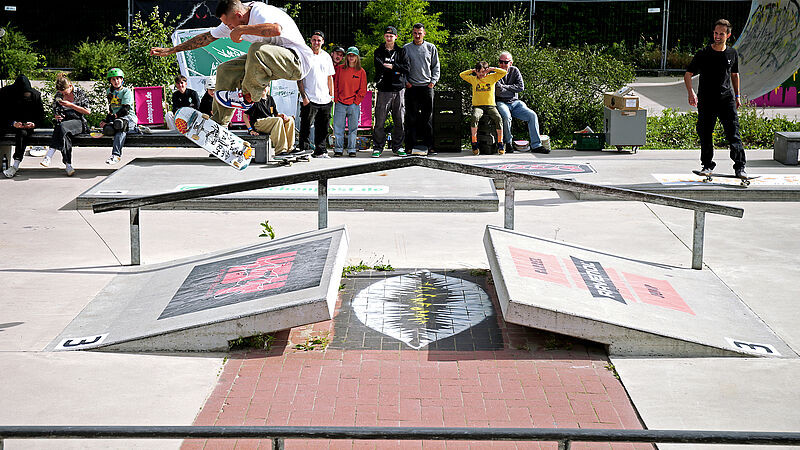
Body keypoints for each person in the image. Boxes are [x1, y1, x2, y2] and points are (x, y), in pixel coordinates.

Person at [149, 0, 313, 129]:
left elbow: (276, 29)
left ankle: (247, 97)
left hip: (296, 61)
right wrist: (172, 50)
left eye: (230, 24)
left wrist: (241, 30)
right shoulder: (233, 22)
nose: (229, 28)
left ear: (239, 14)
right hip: (272, 61)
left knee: (255, 50)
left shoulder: (261, 12)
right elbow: (206, 38)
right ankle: (218, 124)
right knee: (225, 70)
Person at [685, 19, 747, 177]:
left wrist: (738, 96)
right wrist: (691, 92)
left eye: (721, 34)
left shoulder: (732, 53)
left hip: (727, 99)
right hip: (706, 100)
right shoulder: (703, 53)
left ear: (728, 35)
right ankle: (707, 166)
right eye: (715, 33)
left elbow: (735, 74)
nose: (717, 36)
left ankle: (740, 167)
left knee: (733, 132)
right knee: (705, 133)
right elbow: (688, 74)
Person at [37, 73, 91, 176]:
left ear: (70, 86)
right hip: (64, 122)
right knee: (64, 133)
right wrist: (57, 115)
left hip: (78, 121)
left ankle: (49, 155)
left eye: (65, 93)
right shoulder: (59, 95)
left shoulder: (79, 92)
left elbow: (87, 111)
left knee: (61, 127)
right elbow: (55, 109)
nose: (64, 95)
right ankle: (68, 165)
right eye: (61, 93)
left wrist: (71, 105)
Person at [495, 51, 547, 154]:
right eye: (501, 62)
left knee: (532, 115)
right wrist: (511, 90)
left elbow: (520, 87)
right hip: (501, 102)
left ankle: (536, 145)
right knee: (506, 116)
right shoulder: (495, 73)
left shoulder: (515, 71)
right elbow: (499, 92)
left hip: (515, 102)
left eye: (506, 62)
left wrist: (505, 87)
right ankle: (508, 143)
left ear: (511, 63)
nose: (503, 65)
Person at [297, 30, 335, 158]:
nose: (316, 42)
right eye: (314, 40)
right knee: (306, 126)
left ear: (323, 42)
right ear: (310, 41)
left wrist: (332, 96)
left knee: (323, 127)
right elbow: (299, 78)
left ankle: (321, 151)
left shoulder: (326, 57)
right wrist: (304, 97)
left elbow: (330, 77)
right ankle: (304, 150)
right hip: (309, 98)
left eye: (319, 40)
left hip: (325, 99)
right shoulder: (305, 55)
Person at [403, 23, 440, 156]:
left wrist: (433, 82)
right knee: (411, 117)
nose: (417, 35)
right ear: (412, 33)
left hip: (426, 87)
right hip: (411, 88)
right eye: (415, 33)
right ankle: (409, 146)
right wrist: (406, 82)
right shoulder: (406, 48)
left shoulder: (431, 48)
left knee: (427, 118)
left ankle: (429, 146)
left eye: (420, 33)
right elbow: (402, 68)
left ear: (424, 33)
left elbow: (436, 66)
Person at [372, 26, 408, 158]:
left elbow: (406, 68)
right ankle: (377, 147)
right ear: (384, 37)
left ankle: (397, 147)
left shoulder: (401, 51)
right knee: (380, 120)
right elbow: (380, 68)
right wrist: (396, 71)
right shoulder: (378, 51)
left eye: (391, 36)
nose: (389, 38)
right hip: (383, 90)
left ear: (395, 37)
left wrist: (393, 67)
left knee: (399, 120)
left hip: (399, 89)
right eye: (387, 36)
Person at [1, 75, 45, 178]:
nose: (26, 95)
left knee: (22, 135)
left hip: (25, 126)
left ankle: (15, 164)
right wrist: (12, 123)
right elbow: (2, 114)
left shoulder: (35, 95)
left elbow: (40, 116)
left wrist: (34, 124)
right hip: (7, 123)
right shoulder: (5, 93)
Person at [460, 61, 507, 155]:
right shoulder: (473, 79)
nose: (481, 74)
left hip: (490, 106)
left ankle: (500, 143)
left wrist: (492, 69)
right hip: (478, 106)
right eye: (479, 72)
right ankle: (474, 142)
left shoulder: (492, 77)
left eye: (483, 72)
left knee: (498, 118)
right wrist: (472, 70)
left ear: (487, 71)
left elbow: (504, 72)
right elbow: (462, 74)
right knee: (474, 117)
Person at [99, 68, 140, 165]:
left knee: (120, 125)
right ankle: (135, 129)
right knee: (108, 129)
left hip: (129, 118)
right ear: (110, 81)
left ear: (122, 80)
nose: (116, 81)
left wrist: (113, 119)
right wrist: (106, 120)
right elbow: (112, 108)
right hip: (118, 120)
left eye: (118, 78)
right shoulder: (109, 91)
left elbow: (125, 110)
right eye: (113, 79)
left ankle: (116, 155)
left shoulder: (126, 91)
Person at [243, 86, 298, 156]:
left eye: (265, 86)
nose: (263, 88)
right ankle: (280, 150)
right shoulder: (255, 99)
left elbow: (276, 114)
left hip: (269, 122)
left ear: (268, 88)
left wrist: (282, 115)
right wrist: (250, 130)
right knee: (278, 120)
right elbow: (245, 115)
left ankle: (290, 148)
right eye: (262, 87)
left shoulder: (270, 98)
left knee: (290, 119)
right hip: (258, 123)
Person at [333, 47, 368, 157]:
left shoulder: (361, 72)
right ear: (346, 56)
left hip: (353, 105)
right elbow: (335, 85)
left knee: (353, 129)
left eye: (353, 55)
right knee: (338, 128)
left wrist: (356, 101)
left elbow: (363, 89)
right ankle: (338, 149)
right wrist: (336, 98)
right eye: (349, 55)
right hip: (340, 104)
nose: (351, 57)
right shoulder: (340, 69)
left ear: (357, 57)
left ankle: (352, 149)